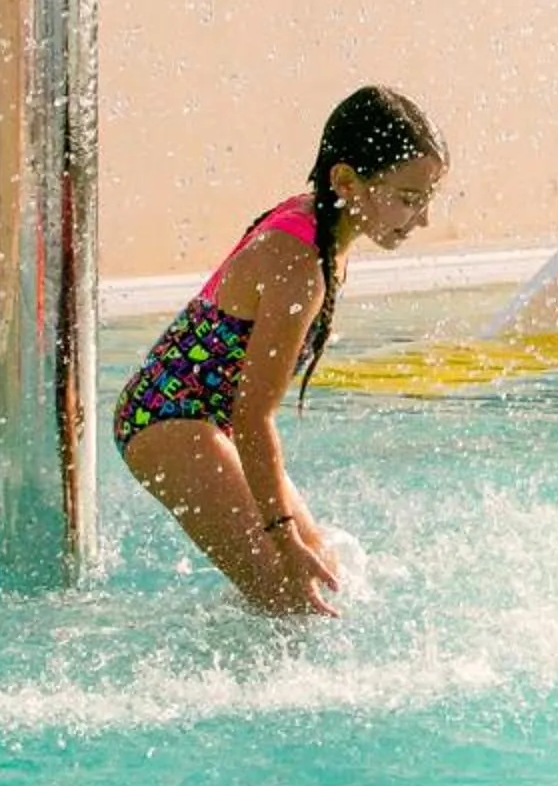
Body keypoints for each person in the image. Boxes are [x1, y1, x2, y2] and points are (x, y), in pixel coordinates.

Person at [114, 86, 447, 615]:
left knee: (322, 578)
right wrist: (280, 532)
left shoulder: (320, 226)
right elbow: (252, 417)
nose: (422, 219)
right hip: (169, 417)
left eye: (427, 200)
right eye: (408, 199)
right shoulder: (299, 264)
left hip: (203, 415)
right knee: (290, 594)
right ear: (345, 180)